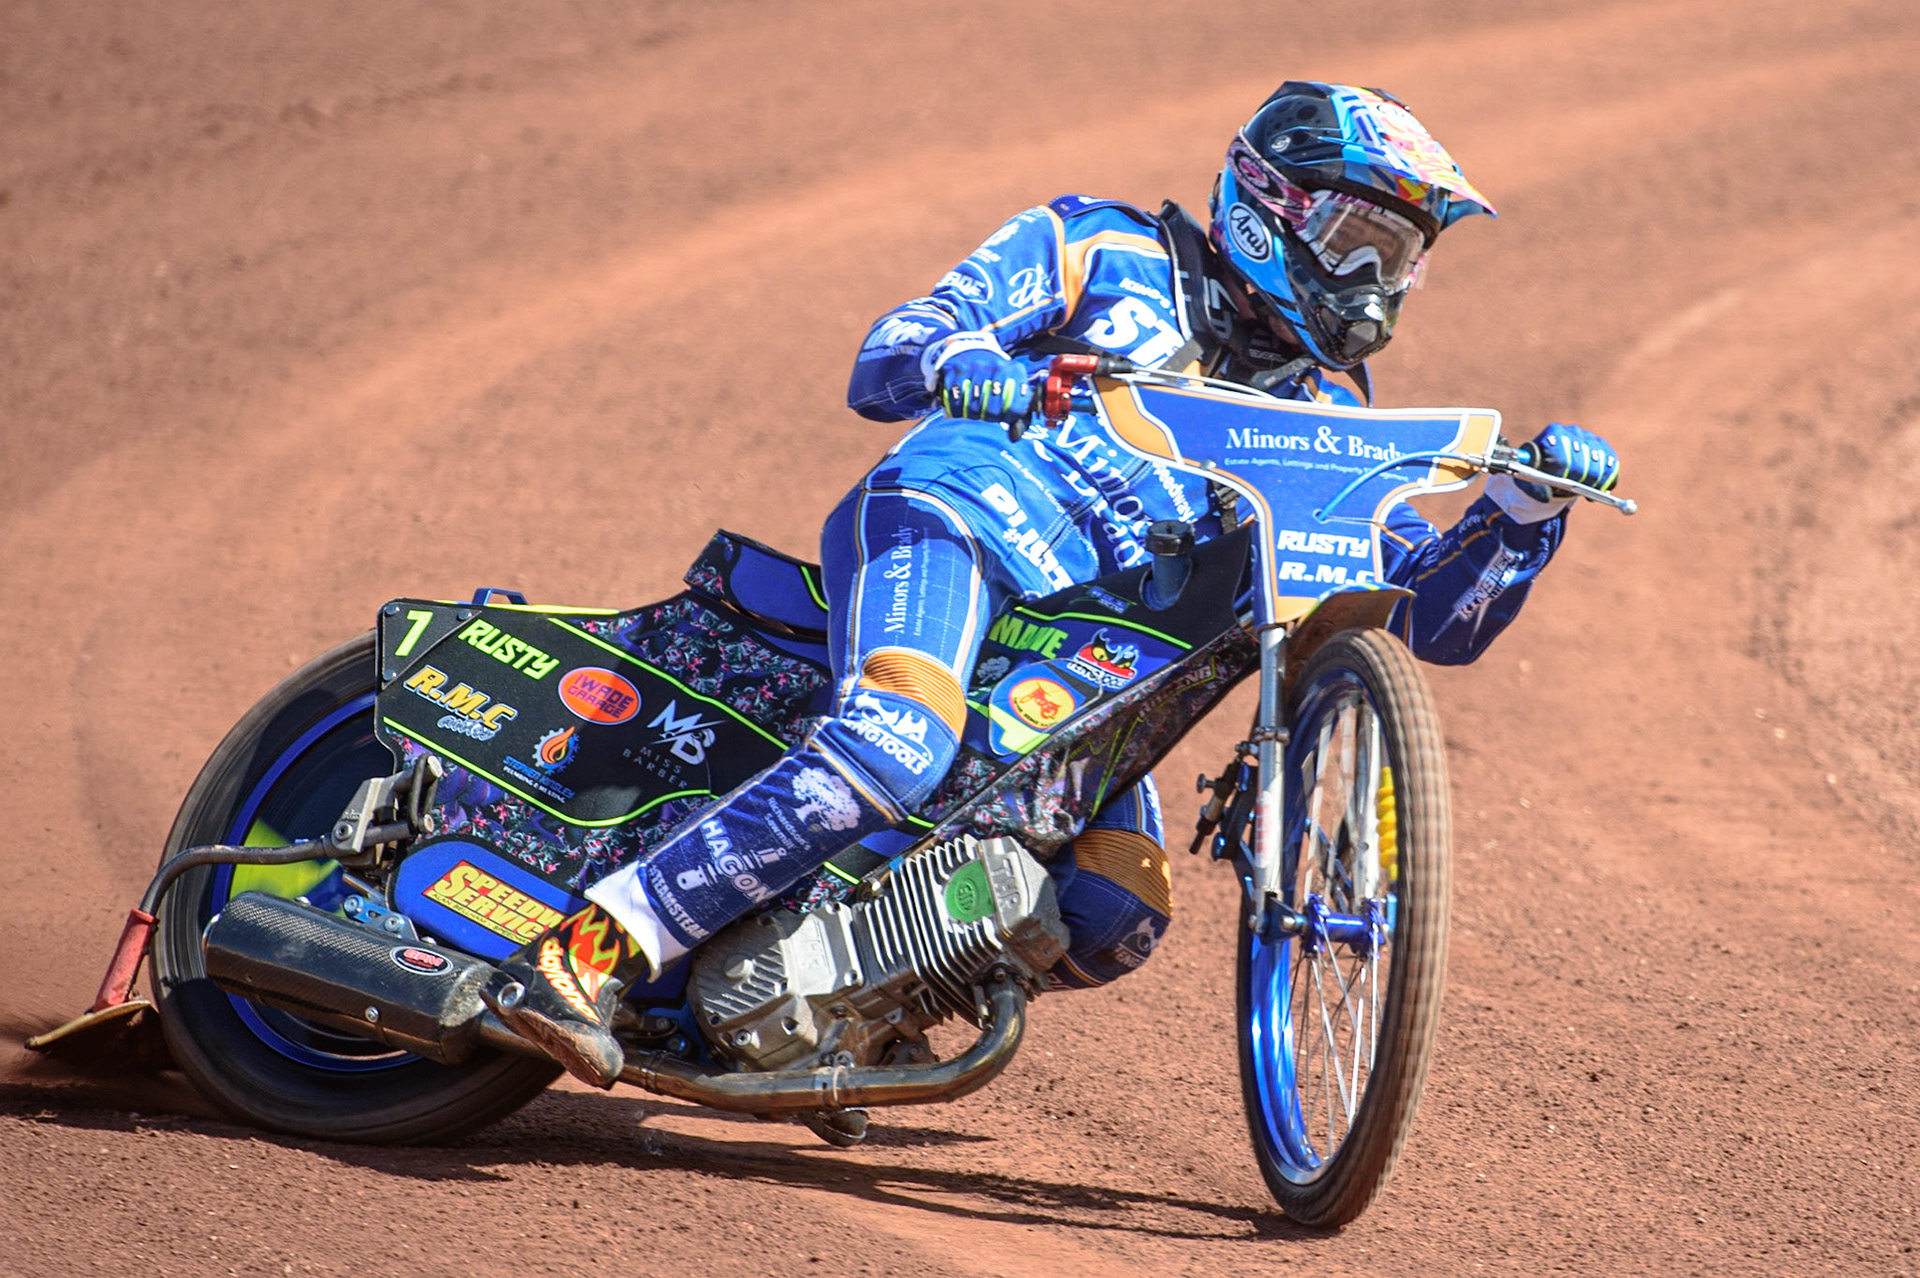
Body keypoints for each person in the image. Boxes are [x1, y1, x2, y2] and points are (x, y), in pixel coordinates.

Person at [481, 82, 1623, 1087]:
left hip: (1086, 663)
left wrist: (1520, 515)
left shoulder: (1330, 410)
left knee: (1114, 909)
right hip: (959, 523)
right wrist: (964, 362)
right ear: (1271, 203)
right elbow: (893, 349)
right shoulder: (1098, 246)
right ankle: (584, 955)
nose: (1379, 285)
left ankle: (850, 995)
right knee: (895, 743)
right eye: (1359, 237)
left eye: (1404, 256)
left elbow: (1417, 612)